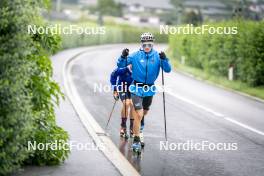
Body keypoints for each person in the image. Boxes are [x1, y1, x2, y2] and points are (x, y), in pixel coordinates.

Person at [123, 32, 172, 152]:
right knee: (138, 114)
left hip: (149, 89)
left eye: (149, 44)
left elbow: (168, 70)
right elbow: (120, 64)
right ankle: (136, 140)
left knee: (144, 113)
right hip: (136, 88)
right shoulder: (135, 56)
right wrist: (123, 57)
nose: (147, 47)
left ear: (152, 44)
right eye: (145, 44)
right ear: (141, 44)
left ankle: (139, 130)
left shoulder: (157, 56)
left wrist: (164, 59)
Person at [110, 50, 134, 138]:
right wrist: (115, 89)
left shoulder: (138, 71)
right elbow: (113, 75)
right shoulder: (124, 68)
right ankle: (123, 126)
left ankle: (132, 127)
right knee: (126, 103)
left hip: (133, 88)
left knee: (133, 104)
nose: (132, 65)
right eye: (131, 63)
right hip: (122, 86)